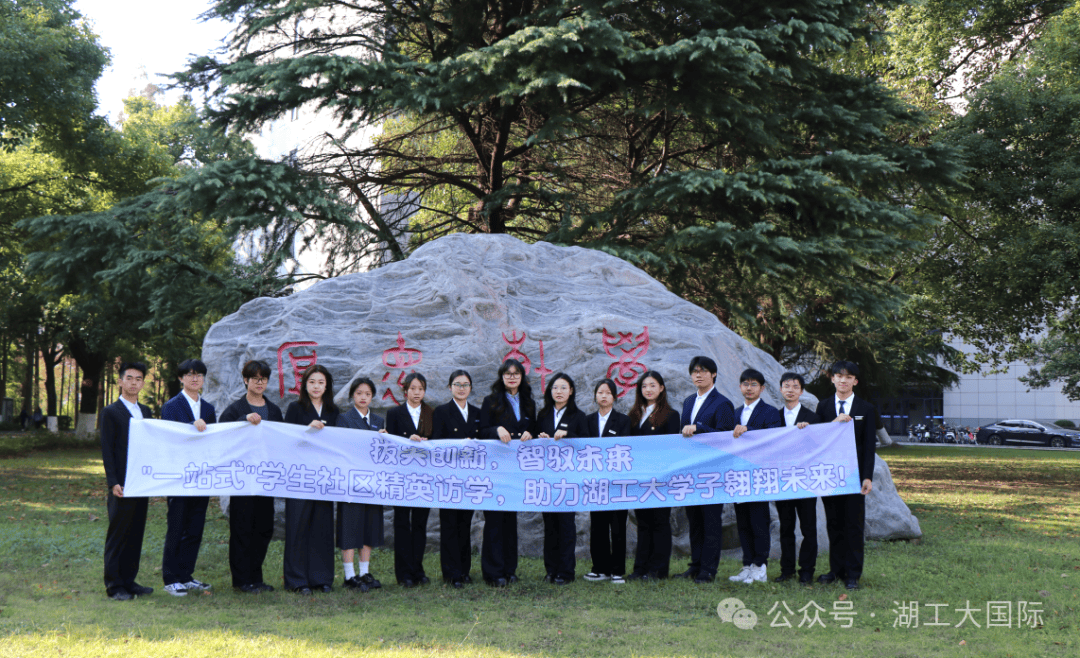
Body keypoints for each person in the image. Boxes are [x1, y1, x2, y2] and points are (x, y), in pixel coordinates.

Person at [218, 360, 282, 594]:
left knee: (263, 528)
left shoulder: (274, 410)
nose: (259, 382)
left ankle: (256, 577)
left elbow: (282, 440)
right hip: (243, 479)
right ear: (245, 380)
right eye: (254, 378)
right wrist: (242, 421)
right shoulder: (236, 409)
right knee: (242, 528)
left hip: (265, 479)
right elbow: (221, 434)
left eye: (263, 378)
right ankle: (241, 580)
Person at [816, 361, 879, 591]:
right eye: (839, 376)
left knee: (853, 525)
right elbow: (817, 439)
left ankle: (853, 574)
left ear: (855, 381)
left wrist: (867, 477)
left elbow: (869, 447)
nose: (843, 380)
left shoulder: (866, 408)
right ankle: (836, 570)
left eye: (848, 376)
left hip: (854, 476)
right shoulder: (823, 407)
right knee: (834, 525)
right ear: (832, 379)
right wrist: (834, 422)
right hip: (830, 476)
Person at [160, 358, 217, 597]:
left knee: (195, 528)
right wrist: (191, 426)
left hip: (201, 476)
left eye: (199, 375)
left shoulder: (209, 409)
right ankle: (171, 578)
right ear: (181, 378)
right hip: (179, 476)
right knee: (177, 526)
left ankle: (186, 575)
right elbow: (168, 438)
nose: (195, 378)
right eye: (190, 374)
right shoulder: (171, 406)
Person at [676, 355, 736, 583]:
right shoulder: (689, 401)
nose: (698, 375)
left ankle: (708, 569)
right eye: (694, 371)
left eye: (703, 371)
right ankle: (695, 564)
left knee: (711, 521)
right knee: (694, 520)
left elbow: (725, 435)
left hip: (713, 471)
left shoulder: (723, 403)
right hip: (691, 470)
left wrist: (699, 428)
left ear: (714, 374)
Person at [282, 364, 341, 594]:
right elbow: (286, 439)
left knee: (322, 526)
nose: (316, 386)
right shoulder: (295, 409)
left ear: (327, 386)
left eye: (321, 382)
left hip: (324, 476)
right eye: (312, 382)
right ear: (304, 384)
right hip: (299, 476)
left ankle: (321, 578)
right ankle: (297, 580)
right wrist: (306, 429)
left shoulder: (333, 411)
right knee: (297, 526)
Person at [478, 358, 535, 586]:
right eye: (507, 373)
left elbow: (535, 428)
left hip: (517, 471)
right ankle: (493, 573)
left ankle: (510, 570)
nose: (512, 377)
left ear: (522, 377)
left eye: (516, 373)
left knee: (511, 522)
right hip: (495, 470)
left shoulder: (529, 403)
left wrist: (531, 432)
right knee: (494, 521)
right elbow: (481, 430)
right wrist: (496, 429)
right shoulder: (490, 401)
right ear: (501, 377)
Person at [100, 362, 154, 601]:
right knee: (118, 534)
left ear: (143, 383)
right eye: (129, 378)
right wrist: (113, 482)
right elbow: (107, 450)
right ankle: (114, 585)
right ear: (120, 382)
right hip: (122, 483)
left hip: (142, 481)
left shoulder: (147, 411)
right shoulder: (111, 412)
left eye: (139, 379)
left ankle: (129, 581)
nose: (134, 382)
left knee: (135, 533)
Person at [729, 368, 782, 584]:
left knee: (758, 522)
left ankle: (760, 567)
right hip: (738, 475)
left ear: (762, 388)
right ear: (740, 387)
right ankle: (747, 565)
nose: (749, 388)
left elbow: (772, 439)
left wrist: (747, 430)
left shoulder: (770, 412)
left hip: (759, 475)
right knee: (742, 523)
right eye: (745, 384)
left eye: (753, 384)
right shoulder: (734, 412)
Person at [626, 370, 680, 582]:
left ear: (661, 388)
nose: (648, 390)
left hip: (660, 478)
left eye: (653, 385)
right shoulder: (634, 415)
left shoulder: (671, 415)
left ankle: (658, 570)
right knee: (643, 523)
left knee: (660, 522)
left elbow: (673, 448)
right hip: (640, 478)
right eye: (644, 386)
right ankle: (640, 569)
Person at [534, 372, 587, 585]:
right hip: (547, 479)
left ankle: (566, 572)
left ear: (571, 391)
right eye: (555, 387)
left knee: (566, 526)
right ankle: (551, 570)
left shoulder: (578, 416)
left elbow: (586, 444)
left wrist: (568, 435)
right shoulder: (543, 415)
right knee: (550, 526)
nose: (559, 391)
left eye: (564, 387)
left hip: (569, 479)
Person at [430, 370, 482, 588]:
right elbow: (436, 443)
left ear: (470, 388)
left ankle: (464, 570)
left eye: (466, 384)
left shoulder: (479, 413)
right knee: (449, 524)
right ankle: (451, 573)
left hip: (470, 478)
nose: (462, 388)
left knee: (465, 524)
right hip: (449, 477)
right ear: (449, 387)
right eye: (457, 384)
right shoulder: (441, 412)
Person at [335, 377, 387, 593]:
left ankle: (364, 572)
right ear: (352, 396)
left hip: (372, 483)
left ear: (372, 396)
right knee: (350, 526)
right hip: (351, 481)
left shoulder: (378, 420)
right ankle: (349, 575)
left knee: (369, 526)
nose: (363, 397)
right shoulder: (344, 419)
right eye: (359, 393)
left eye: (367, 394)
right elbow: (343, 448)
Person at [385, 372, 434, 588]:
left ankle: (418, 570)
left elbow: (439, 444)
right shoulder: (395, 413)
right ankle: (403, 573)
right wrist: (408, 441)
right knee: (403, 524)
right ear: (405, 391)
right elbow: (392, 444)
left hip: (424, 478)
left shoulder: (432, 413)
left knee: (420, 525)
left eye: (420, 389)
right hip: (403, 478)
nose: (416, 393)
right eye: (412, 388)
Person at [582, 378, 631, 584]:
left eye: (608, 393)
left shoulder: (623, 421)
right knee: (598, 526)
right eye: (600, 392)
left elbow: (627, 449)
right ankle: (599, 568)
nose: (603, 396)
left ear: (614, 397)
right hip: (595, 483)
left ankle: (617, 570)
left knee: (618, 527)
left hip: (617, 483)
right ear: (595, 396)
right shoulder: (588, 420)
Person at [774, 372, 821, 584]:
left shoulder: (812, 417)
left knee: (808, 527)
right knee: (786, 527)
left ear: (801, 391)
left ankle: (807, 570)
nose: (790, 390)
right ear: (781, 389)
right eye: (786, 386)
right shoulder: (773, 417)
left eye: (795, 386)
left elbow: (820, 446)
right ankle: (787, 570)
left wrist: (808, 432)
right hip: (782, 480)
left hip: (805, 480)